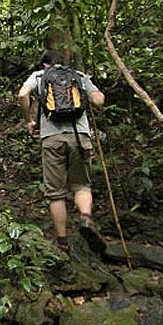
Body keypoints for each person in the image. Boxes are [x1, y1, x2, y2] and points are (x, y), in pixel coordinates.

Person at [16, 50, 106, 252]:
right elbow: (99, 100)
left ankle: (62, 241)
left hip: (51, 138)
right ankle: (84, 218)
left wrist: (29, 120)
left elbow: (22, 94)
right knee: (81, 184)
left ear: (45, 65)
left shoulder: (38, 76)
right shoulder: (79, 75)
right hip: (79, 136)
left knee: (56, 193)